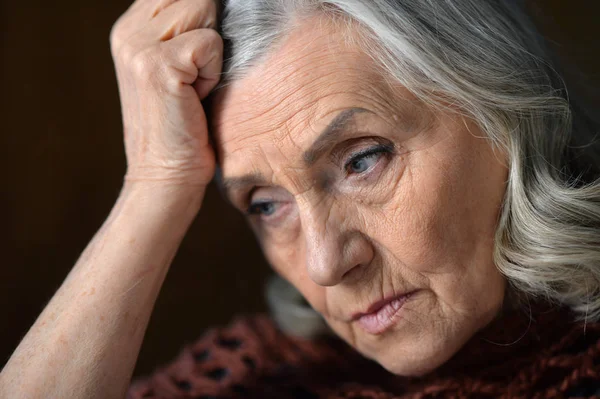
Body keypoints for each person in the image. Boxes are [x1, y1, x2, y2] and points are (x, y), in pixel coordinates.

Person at [1, 0, 599, 397]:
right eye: (265, 204)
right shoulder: (257, 375)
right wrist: (155, 182)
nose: (325, 264)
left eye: (363, 160)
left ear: (501, 112)